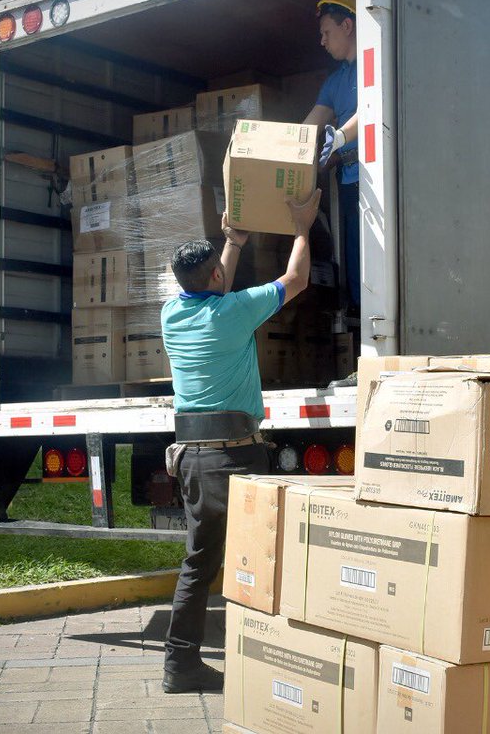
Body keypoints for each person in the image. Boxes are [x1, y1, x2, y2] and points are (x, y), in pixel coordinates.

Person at [159, 188, 322, 694]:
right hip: (236, 458)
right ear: (214, 277)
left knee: (199, 562)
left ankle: (180, 664)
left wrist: (233, 242)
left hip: (193, 460)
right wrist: (302, 227)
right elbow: (296, 280)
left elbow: (215, 287)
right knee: (264, 558)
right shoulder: (233, 311)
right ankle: (268, 661)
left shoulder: (172, 313)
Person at [304, 0, 360, 310]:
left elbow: (372, 107)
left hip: (376, 176)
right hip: (350, 180)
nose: (322, 41)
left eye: (327, 32)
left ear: (347, 26)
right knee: (354, 257)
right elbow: (308, 126)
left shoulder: (374, 63)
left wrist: (339, 137)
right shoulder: (334, 81)